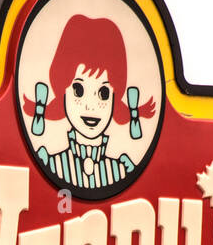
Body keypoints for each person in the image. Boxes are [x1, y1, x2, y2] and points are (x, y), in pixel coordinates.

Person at [22, 13, 156, 191]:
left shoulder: (123, 168)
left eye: (103, 92)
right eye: (78, 90)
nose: (90, 106)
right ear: (62, 90)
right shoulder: (50, 162)